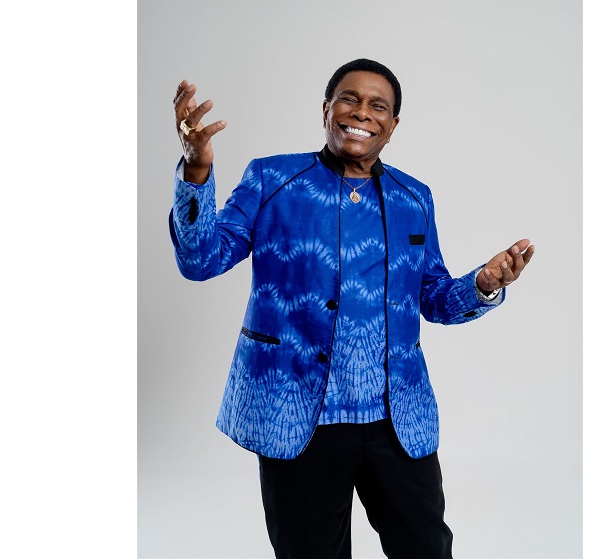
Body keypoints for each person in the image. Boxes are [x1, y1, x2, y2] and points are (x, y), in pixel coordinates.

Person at [169, 58, 534, 559]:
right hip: (298, 412)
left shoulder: (414, 198)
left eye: (377, 105)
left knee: (427, 550)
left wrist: (482, 285)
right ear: (326, 109)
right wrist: (196, 169)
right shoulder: (272, 179)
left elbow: (433, 298)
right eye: (349, 98)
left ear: (393, 124)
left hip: (396, 418)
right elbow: (200, 260)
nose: (362, 112)